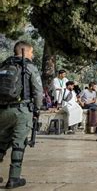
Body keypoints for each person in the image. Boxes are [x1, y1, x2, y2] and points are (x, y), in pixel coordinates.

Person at [0, 41, 43, 188]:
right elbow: (38, 91)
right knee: (19, 144)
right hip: (22, 111)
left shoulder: (4, 65)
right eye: (31, 52)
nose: (32, 55)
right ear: (26, 51)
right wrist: (37, 110)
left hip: (3, 110)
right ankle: (14, 178)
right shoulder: (29, 67)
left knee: (2, 142)